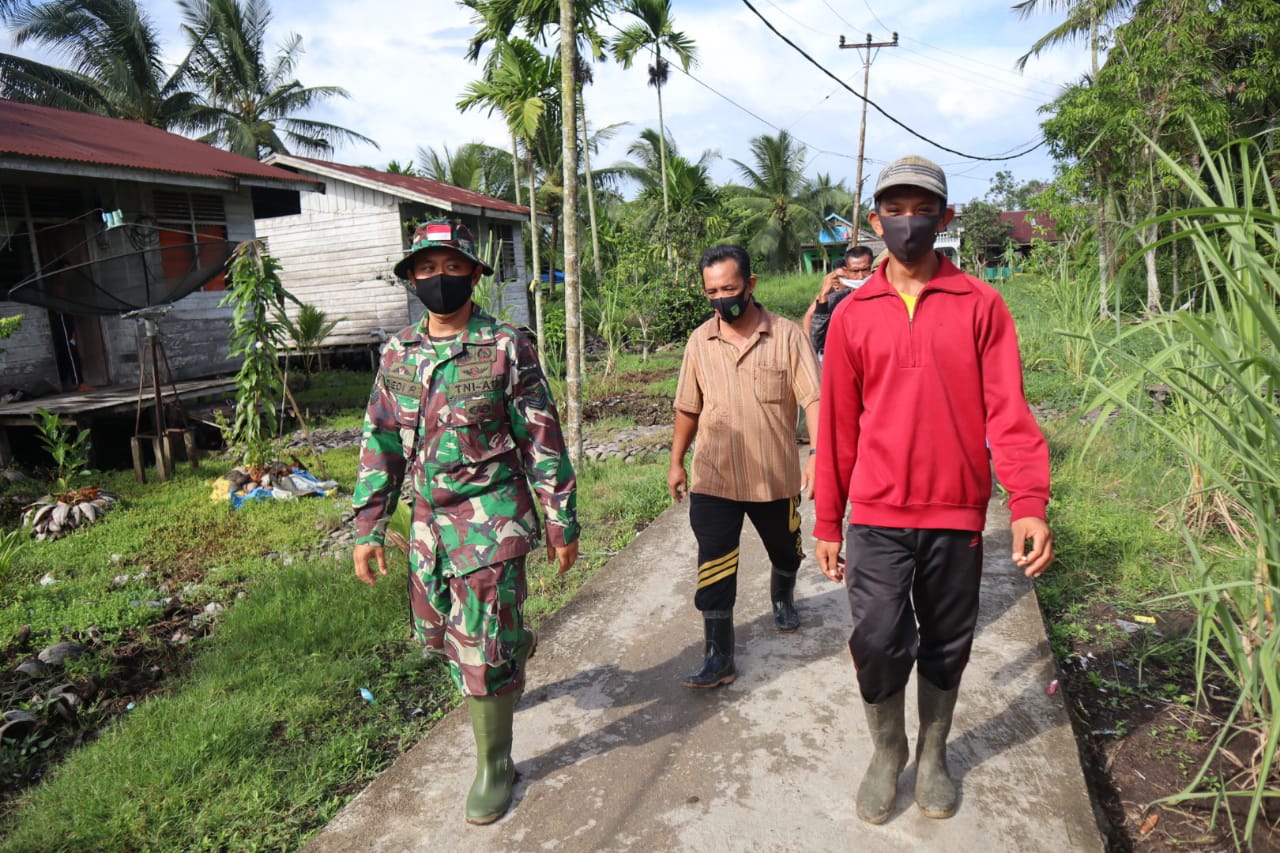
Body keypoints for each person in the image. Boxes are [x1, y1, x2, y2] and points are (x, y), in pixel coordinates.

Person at [812, 156, 1053, 824]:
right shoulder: (855, 315)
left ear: (945, 219)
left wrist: (1028, 501)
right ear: (875, 220)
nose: (908, 222)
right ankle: (888, 752)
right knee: (880, 636)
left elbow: (1008, 411)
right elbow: (835, 428)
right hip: (878, 515)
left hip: (957, 512)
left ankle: (937, 749)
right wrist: (828, 520)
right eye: (895, 209)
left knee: (948, 638)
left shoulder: (982, 305)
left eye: (923, 210)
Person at [351, 220, 579, 826]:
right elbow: (380, 442)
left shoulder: (506, 345)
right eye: (427, 269)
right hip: (428, 527)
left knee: (478, 648)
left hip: (491, 522)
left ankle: (495, 766)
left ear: (475, 273)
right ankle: (514, 645)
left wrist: (561, 519)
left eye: (452, 267)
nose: (440, 279)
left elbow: (541, 436)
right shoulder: (397, 353)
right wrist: (368, 528)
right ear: (411, 279)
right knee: (437, 637)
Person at [668, 244, 822, 689]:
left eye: (729, 288)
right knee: (714, 564)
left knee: (785, 550)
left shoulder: (788, 336)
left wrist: (817, 454)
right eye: (712, 291)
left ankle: (782, 595)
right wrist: (676, 461)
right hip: (714, 476)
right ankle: (719, 655)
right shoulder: (700, 341)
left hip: (774, 477)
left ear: (751, 285)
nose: (721, 299)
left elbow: (814, 398)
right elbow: (687, 408)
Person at [803, 245, 874, 356]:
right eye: (855, 271)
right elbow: (816, 341)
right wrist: (823, 296)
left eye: (865, 270)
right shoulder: (836, 300)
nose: (861, 277)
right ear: (846, 271)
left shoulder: (885, 297)